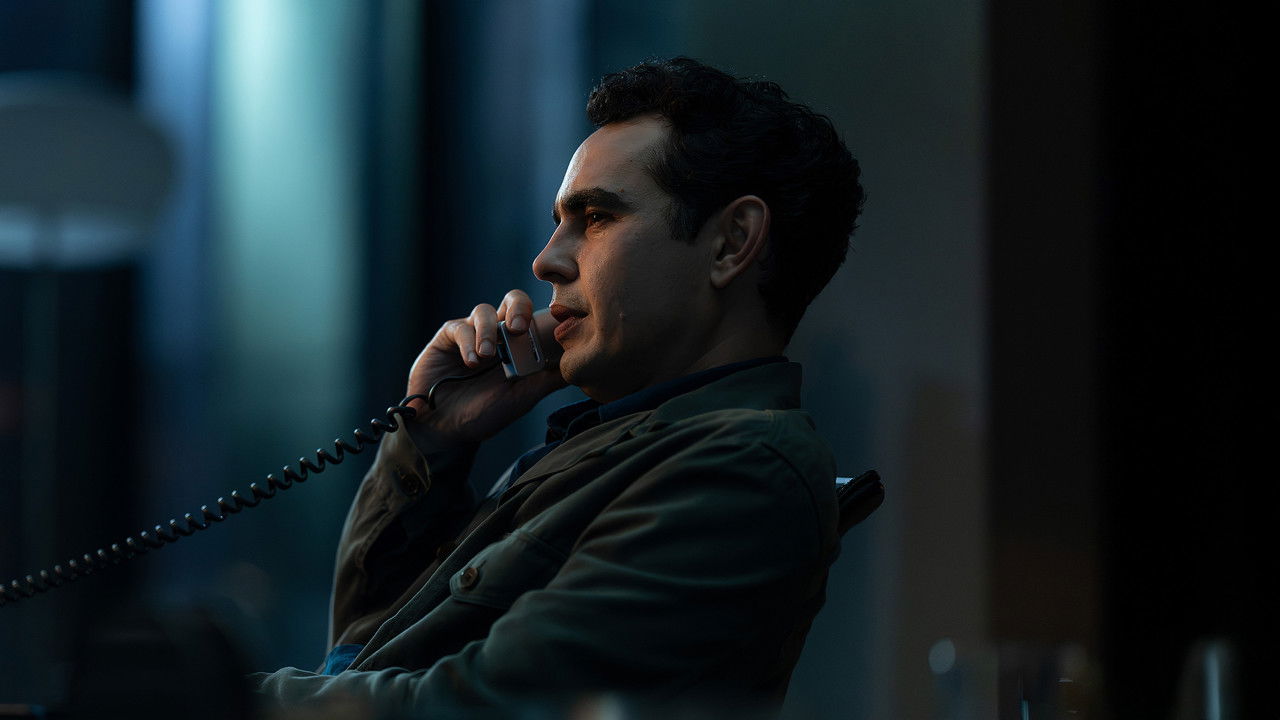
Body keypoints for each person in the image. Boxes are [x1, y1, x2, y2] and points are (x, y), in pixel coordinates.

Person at [252, 57, 864, 718]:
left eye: (595, 217)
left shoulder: (742, 469)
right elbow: (364, 656)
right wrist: (429, 442)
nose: (546, 261)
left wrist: (216, 694)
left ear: (731, 243)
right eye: (558, 221)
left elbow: (478, 707)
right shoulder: (611, 444)